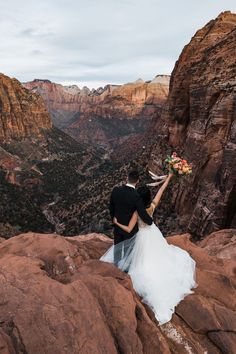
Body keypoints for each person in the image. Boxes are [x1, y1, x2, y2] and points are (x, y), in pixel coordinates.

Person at [101, 173, 197, 325]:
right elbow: (161, 191)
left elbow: (128, 228)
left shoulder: (136, 211)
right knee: (159, 257)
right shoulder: (151, 207)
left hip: (141, 239)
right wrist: (169, 177)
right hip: (153, 235)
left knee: (140, 262)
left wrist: (116, 222)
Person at [109, 170, 152, 266]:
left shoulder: (116, 190)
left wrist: (114, 220)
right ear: (137, 181)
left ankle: (116, 268)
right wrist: (150, 222)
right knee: (129, 253)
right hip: (130, 230)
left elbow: (111, 207)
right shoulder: (136, 196)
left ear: (126, 178)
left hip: (118, 226)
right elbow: (142, 213)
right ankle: (126, 271)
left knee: (118, 249)